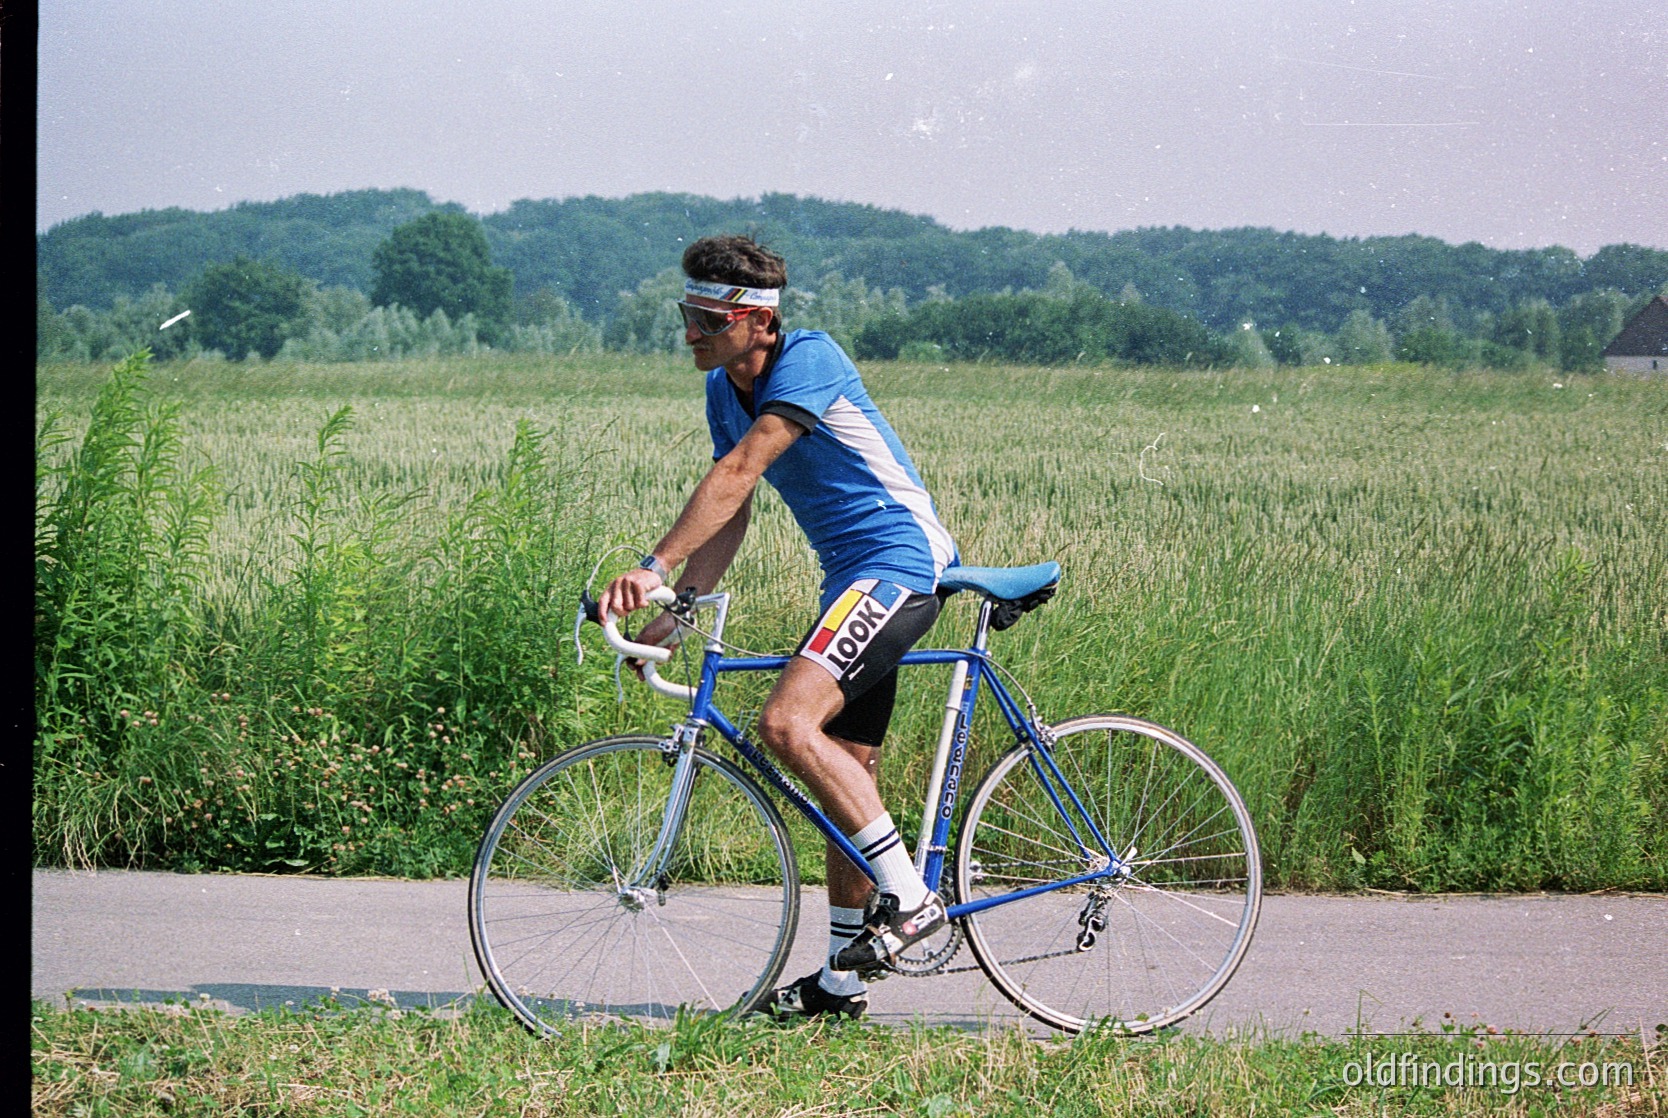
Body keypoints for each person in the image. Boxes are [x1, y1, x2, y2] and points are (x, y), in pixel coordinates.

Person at [598, 234, 958, 1020]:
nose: (691, 332)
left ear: (760, 322)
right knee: (846, 785)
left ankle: (911, 900)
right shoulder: (724, 389)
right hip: (853, 579)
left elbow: (737, 473)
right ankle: (842, 983)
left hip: (899, 562)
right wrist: (678, 614)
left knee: (786, 723)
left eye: (709, 319)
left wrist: (653, 568)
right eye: (686, 314)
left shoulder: (810, 358)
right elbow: (734, 515)